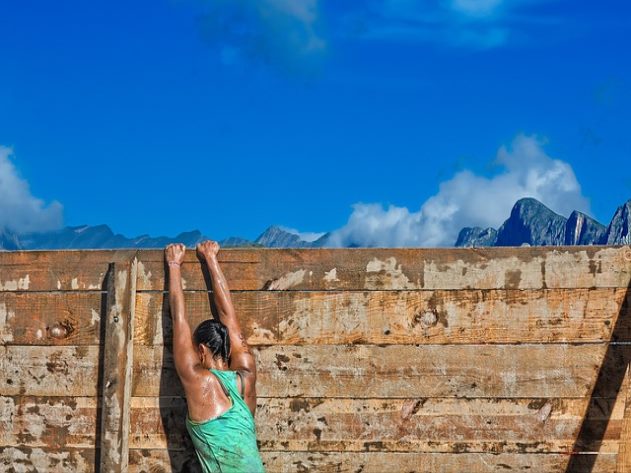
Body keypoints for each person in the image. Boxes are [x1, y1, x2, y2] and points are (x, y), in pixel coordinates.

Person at [165, 240, 265, 473]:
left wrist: (174, 264)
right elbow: (229, 317)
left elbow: (179, 321)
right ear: (229, 349)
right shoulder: (247, 374)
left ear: (201, 350)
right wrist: (211, 258)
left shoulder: (199, 381)